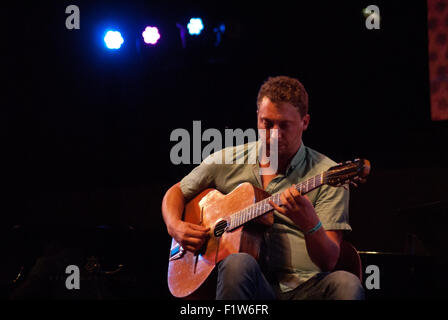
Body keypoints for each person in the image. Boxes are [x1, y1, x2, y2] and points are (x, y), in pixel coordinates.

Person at [162, 76, 364, 300]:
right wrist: (175, 226)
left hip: (306, 288)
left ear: (305, 122)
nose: (274, 134)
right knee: (238, 263)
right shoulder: (227, 160)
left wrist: (310, 224)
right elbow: (177, 191)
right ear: (257, 116)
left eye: (284, 125)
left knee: (347, 284)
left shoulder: (329, 174)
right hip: (251, 286)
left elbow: (328, 260)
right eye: (267, 124)